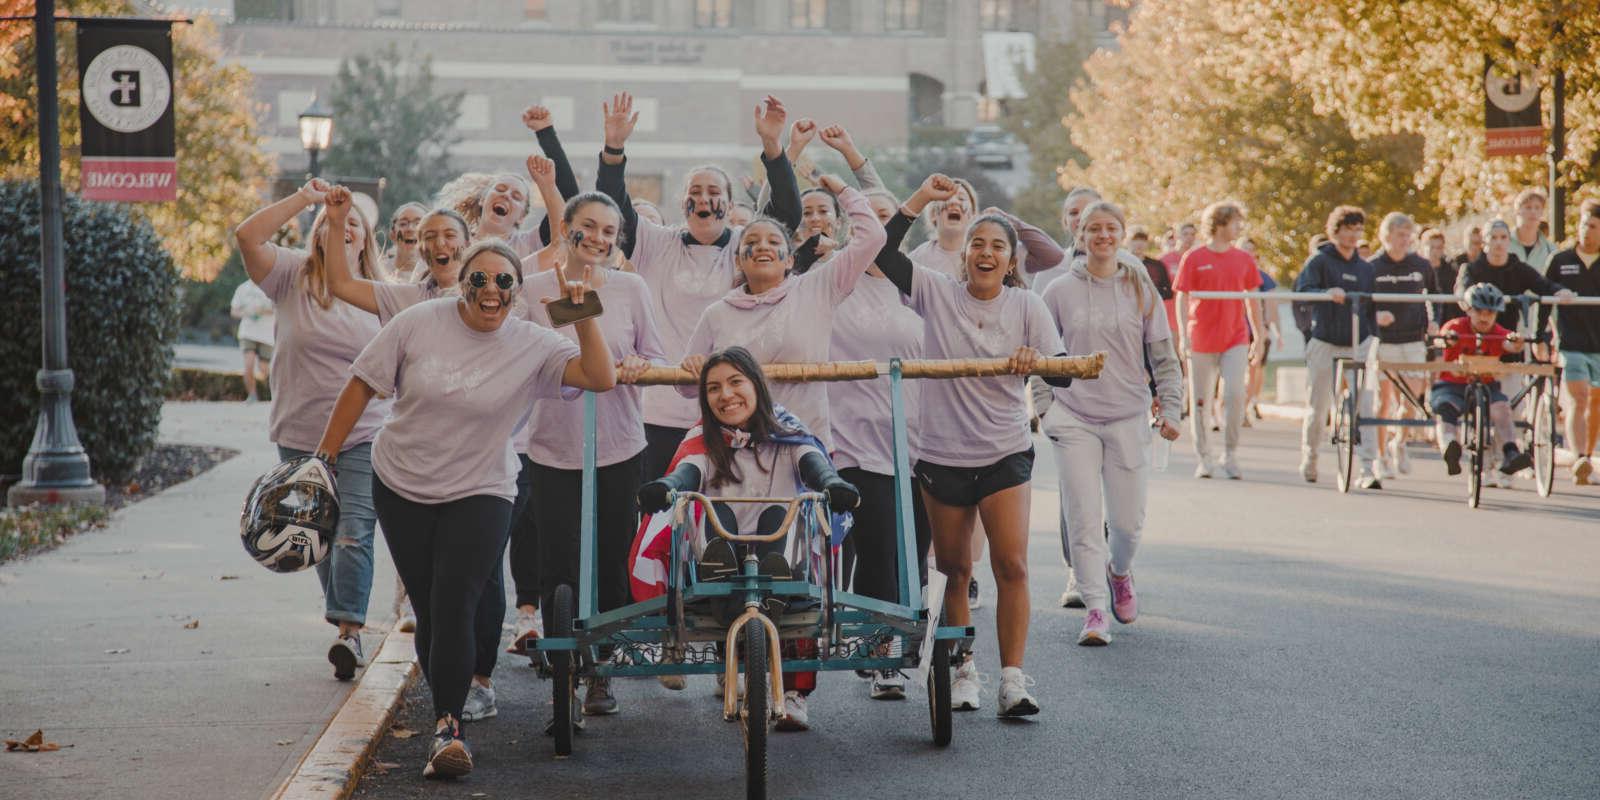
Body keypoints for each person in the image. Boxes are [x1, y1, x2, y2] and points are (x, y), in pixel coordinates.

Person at [313, 228, 615, 779]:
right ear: (462, 285)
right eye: (480, 279)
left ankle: (449, 727)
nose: (492, 290)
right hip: (401, 480)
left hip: (482, 487)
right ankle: (447, 705)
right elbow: (361, 383)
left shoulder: (533, 341)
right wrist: (324, 458)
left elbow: (600, 375)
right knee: (431, 606)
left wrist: (582, 315)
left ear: (517, 291)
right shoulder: (418, 322)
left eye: (504, 281)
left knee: (456, 600)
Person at [872, 175, 1069, 717]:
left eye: (997, 246)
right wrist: (918, 199)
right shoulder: (935, 293)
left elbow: (1066, 373)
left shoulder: (1028, 306)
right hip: (942, 453)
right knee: (955, 570)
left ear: (1011, 261)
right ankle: (962, 667)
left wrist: (1040, 363)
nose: (985, 252)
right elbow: (882, 250)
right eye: (977, 244)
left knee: (1012, 566)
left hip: (1005, 449)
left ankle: (1013, 678)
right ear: (965, 257)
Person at [637, 348, 860, 732]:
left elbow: (814, 464)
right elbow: (687, 473)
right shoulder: (704, 442)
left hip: (782, 557)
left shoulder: (788, 435)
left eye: (736, 382)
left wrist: (833, 483)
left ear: (757, 385)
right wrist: (666, 487)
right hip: (722, 560)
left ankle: (793, 691)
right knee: (709, 510)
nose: (725, 395)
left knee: (782, 516)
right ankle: (727, 583)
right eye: (713, 388)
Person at [596, 91, 802, 482]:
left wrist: (773, 147)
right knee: (661, 517)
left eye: (714, 194)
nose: (704, 200)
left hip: (730, 409)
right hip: (660, 409)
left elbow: (786, 218)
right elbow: (613, 207)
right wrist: (614, 148)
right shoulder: (655, 245)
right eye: (695, 194)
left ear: (727, 202)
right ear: (682, 204)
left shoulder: (745, 246)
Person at [235, 178, 389, 682]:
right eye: (330, 225)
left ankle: (348, 633)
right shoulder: (289, 277)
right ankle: (346, 619)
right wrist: (307, 200)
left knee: (353, 532)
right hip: (300, 434)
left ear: (366, 239)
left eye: (352, 228)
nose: (341, 230)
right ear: (314, 234)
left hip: (364, 434)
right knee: (317, 534)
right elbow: (247, 236)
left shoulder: (380, 296)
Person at [517, 191, 665, 716]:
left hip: (619, 443)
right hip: (553, 445)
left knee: (611, 553)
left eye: (609, 230)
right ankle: (566, 668)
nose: (600, 238)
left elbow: (656, 352)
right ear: (567, 228)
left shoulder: (631, 287)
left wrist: (643, 365)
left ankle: (603, 668)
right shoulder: (532, 290)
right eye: (590, 227)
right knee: (559, 559)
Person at [1039, 201, 1182, 647]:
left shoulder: (1140, 287)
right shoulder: (1058, 291)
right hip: (1075, 418)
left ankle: (1119, 573)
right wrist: (1046, 410)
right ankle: (1095, 609)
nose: (1102, 235)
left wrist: (1172, 408)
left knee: (1128, 524)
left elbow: (1163, 356)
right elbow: (1040, 358)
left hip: (1127, 416)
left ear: (1121, 234)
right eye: (1092, 229)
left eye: (1110, 228)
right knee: (1083, 519)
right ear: (1080, 237)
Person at [677, 173, 884, 448]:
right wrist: (693, 368)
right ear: (738, 261)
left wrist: (843, 190)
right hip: (737, 452)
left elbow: (873, 236)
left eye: (774, 242)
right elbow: (686, 388)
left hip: (806, 447)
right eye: (751, 242)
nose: (762, 246)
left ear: (790, 260)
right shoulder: (717, 313)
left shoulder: (817, 288)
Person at [1173, 200, 1264, 479]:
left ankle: (1230, 453)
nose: (1239, 227)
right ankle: (1204, 457)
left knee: (1235, 394)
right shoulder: (1195, 257)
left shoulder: (1244, 259)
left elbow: (1253, 299)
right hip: (1200, 337)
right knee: (1200, 400)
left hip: (1234, 337)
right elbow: (1181, 296)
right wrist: (1182, 335)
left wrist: (1259, 336)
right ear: (1220, 224)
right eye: (1235, 222)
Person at [1294, 206, 1380, 487]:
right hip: (1325, 340)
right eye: (1348, 229)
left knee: (1366, 404)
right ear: (1336, 230)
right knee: (1318, 405)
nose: (1354, 236)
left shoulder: (1365, 268)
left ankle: (1368, 468)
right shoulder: (1320, 261)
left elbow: (1372, 306)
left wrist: (1376, 333)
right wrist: (1325, 294)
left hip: (1358, 341)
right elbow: (1302, 292)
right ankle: (1311, 456)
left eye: (1358, 230)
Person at [433, 104, 579, 259]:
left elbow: (569, 199)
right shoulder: (452, 243)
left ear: (522, 216)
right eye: (500, 189)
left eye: (516, 197)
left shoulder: (530, 244)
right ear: (483, 199)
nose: (507, 195)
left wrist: (545, 132)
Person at [1430, 283, 1532, 478]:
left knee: (1502, 409)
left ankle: (1511, 452)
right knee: (1446, 407)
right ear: (1469, 311)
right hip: (1452, 385)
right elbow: (1442, 338)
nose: (1485, 318)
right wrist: (1447, 340)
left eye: (1490, 313)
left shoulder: (1497, 330)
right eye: (1479, 312)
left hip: (1486, 385)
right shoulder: (1456, 326)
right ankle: (1450, 446)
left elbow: (1509, 343)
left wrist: (1515, 342)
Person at [1368, 212, 1437, 479]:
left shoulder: (1421, 265)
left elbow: (1436, 294)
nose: (1404, 240)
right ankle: (1381, 455)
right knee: (1382, 400)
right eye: (1399, 235)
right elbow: (1363, 304)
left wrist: (1434, 321)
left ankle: (1400, 442)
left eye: (1408, 235)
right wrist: (1375, 317)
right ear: (1386, 236)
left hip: (1413, 338)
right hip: (1385, 341)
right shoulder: (1372, 266)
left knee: (1411, 398)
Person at [1541, 198, 1600, 484]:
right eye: (1584, 225)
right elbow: (1543, 297)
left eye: (1594, 227)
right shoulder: (1561, 261)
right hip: (1571, 342)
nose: (1587, 231)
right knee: (1578, 397)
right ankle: (1578, 456)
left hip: (1599, 344)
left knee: (1596, 401)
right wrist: (1542, 336)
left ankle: (1587, 455)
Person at [230, 278, 274, 402]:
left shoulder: (270, 286)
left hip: (266, 334)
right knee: (248, 364)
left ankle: (274, 392)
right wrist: (246, 313)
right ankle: (252, 395)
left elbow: (277, 308)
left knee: (263, 368)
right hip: (247, 333)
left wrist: (262, 311)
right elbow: (234, 311)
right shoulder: (243, 288)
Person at [1129, 224, 1177, 336]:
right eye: (1135, 239)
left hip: (1150, 317)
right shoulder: (1119, 263)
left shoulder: (1157, 265)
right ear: (1127, 241)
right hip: (1127, 316)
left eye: (1143, 239)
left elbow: (1168, 292)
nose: (1139, 243)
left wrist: (1150, 294)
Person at [1509, 188, 1557, 271]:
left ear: (1542, 212)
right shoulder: (1504, 244)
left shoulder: (1551, 250)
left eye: (1537, 208)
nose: (1533, 212)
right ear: (1517, 211)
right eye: (1528, 207)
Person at [1423, 227, 1462, 326]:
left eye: (1439, 247)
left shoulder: (1451, 270)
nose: (1435, 251)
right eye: (1432, 247)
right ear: (1423, 246)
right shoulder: (1418, 270)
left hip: (1448, 320)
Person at [384, 202, 427, 279]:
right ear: (392, 235)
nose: (410, 229)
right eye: (403, 224)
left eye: (418, 223)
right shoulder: (379, 271)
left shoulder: (435, 275)